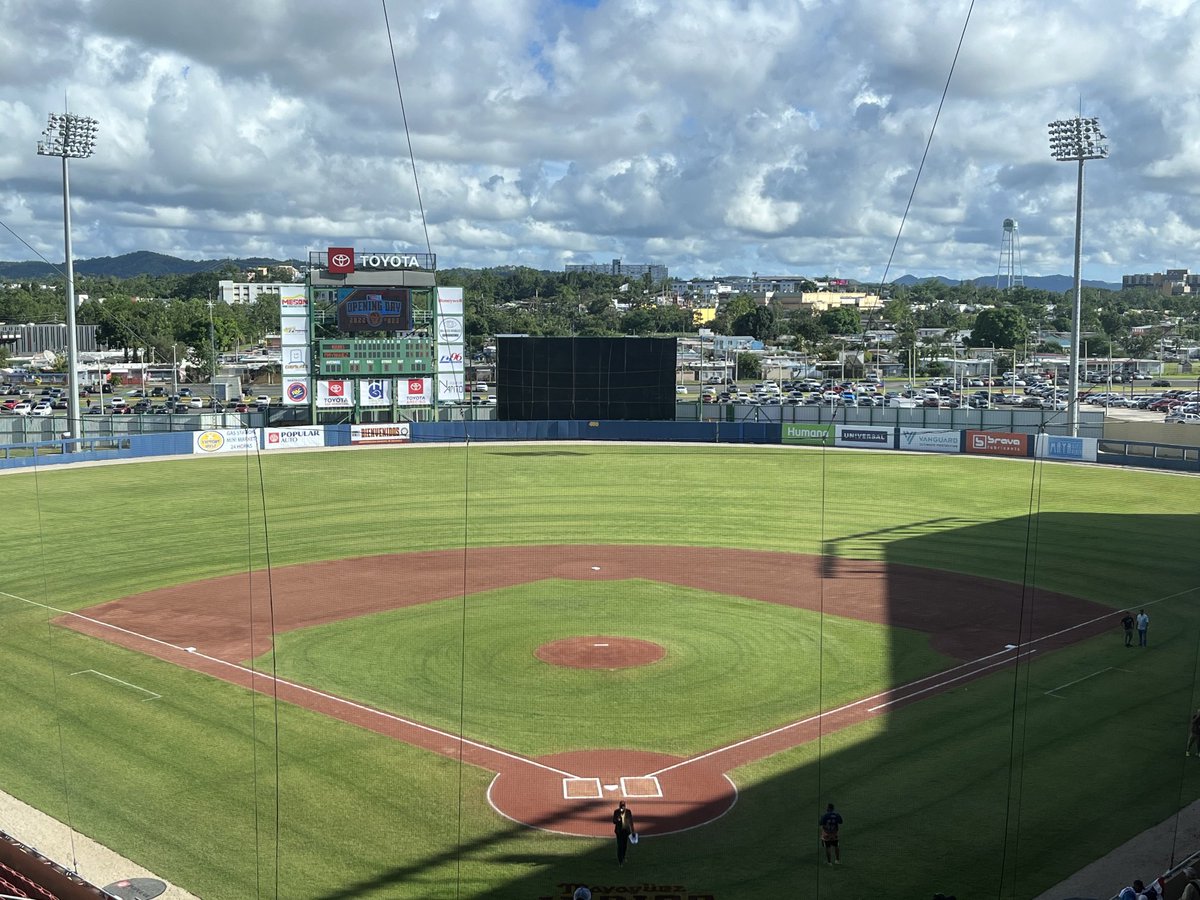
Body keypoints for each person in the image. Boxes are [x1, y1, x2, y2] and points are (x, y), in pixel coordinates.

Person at [612, 800, 636, 865]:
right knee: (620, 845)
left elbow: (631, 822)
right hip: (619, 831)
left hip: (626, 831)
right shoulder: (616, 812)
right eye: (621, 806)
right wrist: (617, 820)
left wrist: (633, 831)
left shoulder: (628, 812)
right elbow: (613, 821)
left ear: (625, 806)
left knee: (625, 845)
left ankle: (623, 856)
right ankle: (620, 860)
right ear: (619, 806)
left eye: (623, 806)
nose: (622, 807)